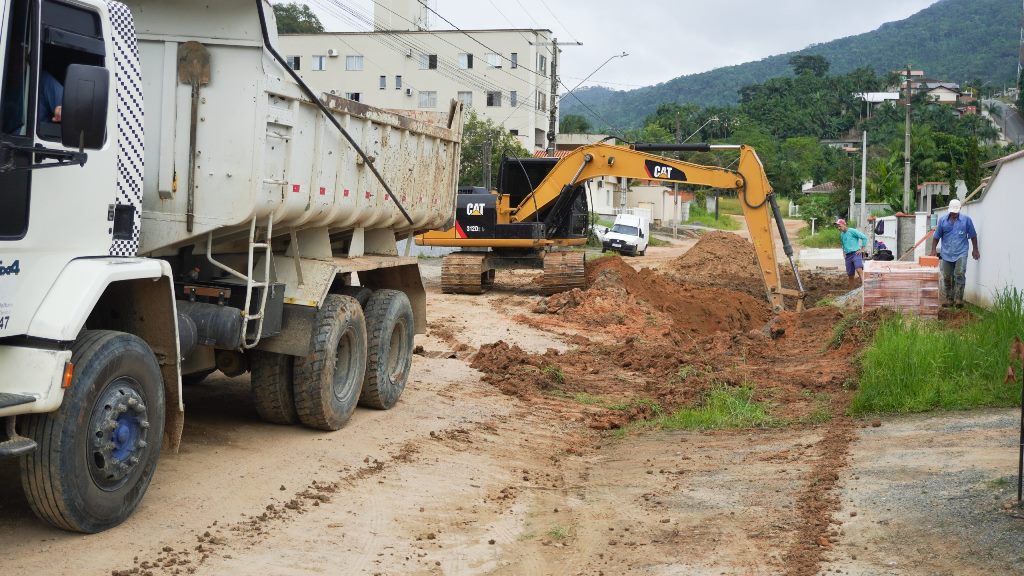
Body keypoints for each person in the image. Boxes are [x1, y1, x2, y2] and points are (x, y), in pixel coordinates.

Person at [931, 198, 979, 308]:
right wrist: (933, 250)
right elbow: (936, 237)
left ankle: (958, 299)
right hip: (947, 254)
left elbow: (973, 235)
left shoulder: (966, 220)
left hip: (961, 252)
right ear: (949, 210)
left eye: (955, 212)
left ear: (960, 209)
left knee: (959, 274)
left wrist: (975, 249)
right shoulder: (942, 221)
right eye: (952, 212)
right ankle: (949, 299)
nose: (953, 214)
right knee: (947, 276)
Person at [837, 218, 868, 288]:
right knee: (850, 274)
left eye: (840, 226)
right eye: (837, 226)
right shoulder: (842, 234)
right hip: (848, 255)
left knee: (859, 269)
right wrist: (844, 253)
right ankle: (851, 291)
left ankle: (864, 287)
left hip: (855, 253)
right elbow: (843, 244)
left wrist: (862, 249)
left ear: (844, 224)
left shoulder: (852, 231)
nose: (838, 228)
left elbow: (864, 237)